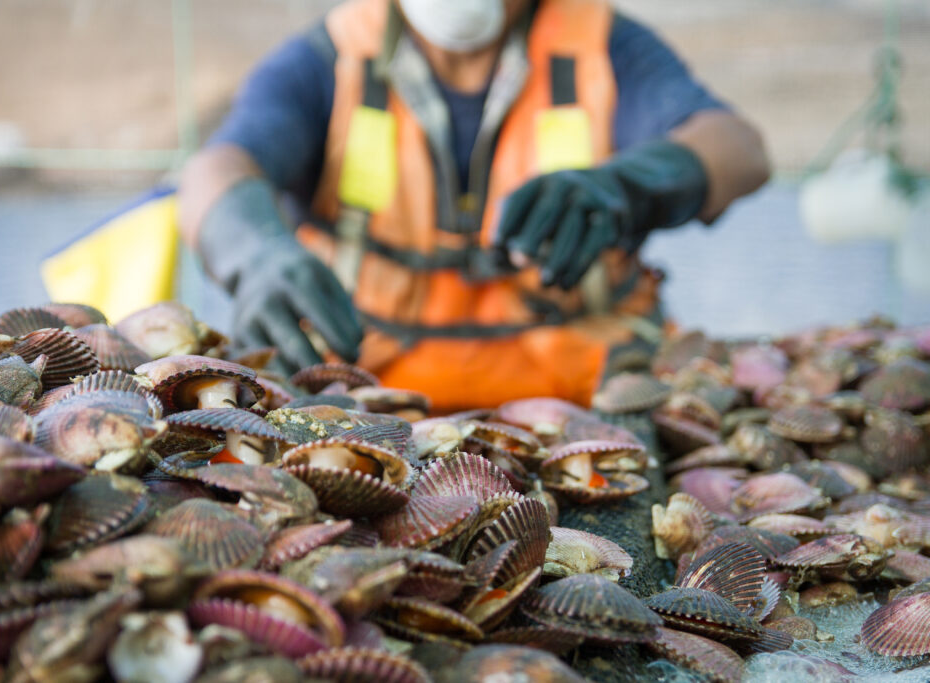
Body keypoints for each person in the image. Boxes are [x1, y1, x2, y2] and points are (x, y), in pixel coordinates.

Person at [179, 0, 770, 410]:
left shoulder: (601, 45)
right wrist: (254, 251)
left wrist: (628, 185)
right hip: (361, 404)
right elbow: (217, 168)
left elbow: (738, 148)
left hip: (590, 404)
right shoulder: (330, 58)